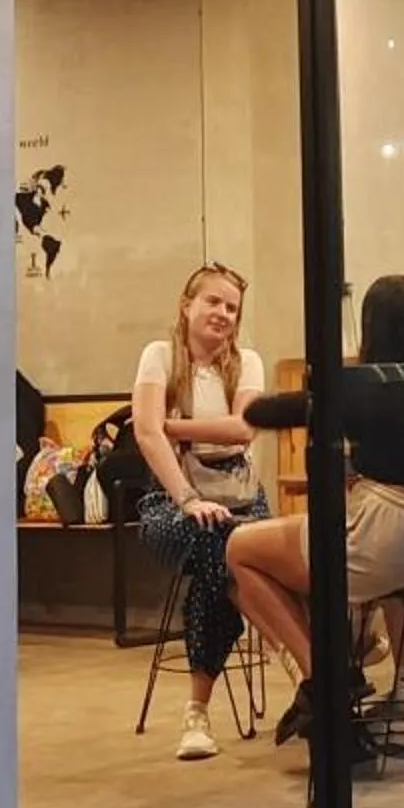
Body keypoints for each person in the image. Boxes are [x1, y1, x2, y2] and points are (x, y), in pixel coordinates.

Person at [230, 275, 404, 755]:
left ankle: (323, 680)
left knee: (241, 549)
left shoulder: (368, 387)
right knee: (395, 583)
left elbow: (262, 413)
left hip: (391, 538)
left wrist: (329, 381)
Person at [129, 262, 270, 762]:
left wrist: (172, 426)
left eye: (232, 307)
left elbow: (243, 429)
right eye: (213, 301)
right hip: (169, 501)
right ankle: (299, 663)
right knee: (218, 546)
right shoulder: (160, 356)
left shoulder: (247, 362)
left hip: (241, 499)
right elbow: (144, 435)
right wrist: (189, 499)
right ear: (186, 305)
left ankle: (198, 713)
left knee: (224, 559)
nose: (223, 313)